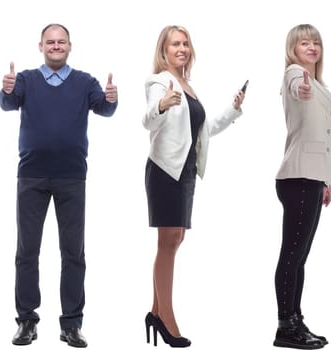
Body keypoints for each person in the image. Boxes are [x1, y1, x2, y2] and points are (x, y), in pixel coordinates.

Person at [0, 23, 118, 348]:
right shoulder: (25, 79)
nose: (55, 46)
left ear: (69, 46)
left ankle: (72, 324)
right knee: (27, 251)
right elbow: (7, 103)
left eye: (60, 42)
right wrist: (6, 89)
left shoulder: (84, 82)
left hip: (71, 176)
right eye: (49, 42)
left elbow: (104, 109)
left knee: (73, 252)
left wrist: (111, 98)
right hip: (32, 176)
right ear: (40, 46)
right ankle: (26, 321)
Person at [142, 25, 245, 348]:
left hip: (186, 171)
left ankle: (156, 311)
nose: (182, 48)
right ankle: (166, 319)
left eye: (185, 43)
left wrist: (233, 109)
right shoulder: (159, 81)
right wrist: (161, 105)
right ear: (164, 50)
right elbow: (147, 120)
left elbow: (201, 131)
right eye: (175, 44)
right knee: (168, 242)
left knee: (176, 239)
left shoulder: (189, 86)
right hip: (164, 171)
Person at [271, 24, 331, 350]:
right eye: (304, 43)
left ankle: (295, 319)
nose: (312, 47)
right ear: (293, 49)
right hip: (297, 177)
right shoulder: (295, 74)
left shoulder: (322, 87)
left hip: (312, 178)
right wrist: (302, 89)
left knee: (300, 258)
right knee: (292, 255)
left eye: (316, 43)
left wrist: (327, 180)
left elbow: (324, 140)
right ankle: (286, 326)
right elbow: (298, 87)